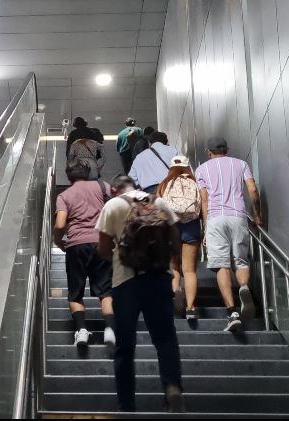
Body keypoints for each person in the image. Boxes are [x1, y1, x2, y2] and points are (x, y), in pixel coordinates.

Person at [96, 175, 184, 413]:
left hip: (126, 282)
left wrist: (116, 254)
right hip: (159, 279)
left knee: (125, 345)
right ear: (136, 186)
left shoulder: (112, 206)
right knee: (165, 339)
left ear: (115, 189)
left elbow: (103, 248)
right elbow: (176, 241)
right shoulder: (159, 202)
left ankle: (127, 405)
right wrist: (174, 272)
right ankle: (172, 387)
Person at [195, 137, 263, 333]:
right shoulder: (241, 164)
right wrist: (258, 215)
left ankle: (232, 312)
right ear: (227, 149)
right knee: (241, 260)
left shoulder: (202, 169)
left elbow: (205, 201)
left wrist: (206, 228)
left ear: (209, 152)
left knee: (221, 265)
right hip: (238, 216)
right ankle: (243, 286)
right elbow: (252, 190)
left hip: (216, 218)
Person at [54, 161, 116, 349]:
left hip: (76, 245)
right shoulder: (102, 187)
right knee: (106, 291)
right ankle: (110, 330)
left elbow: (59, 224)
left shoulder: (64, 195)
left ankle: (81, 331)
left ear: (68, 177)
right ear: (88, 172)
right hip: (101, 242)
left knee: (75, 294)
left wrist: (58, 241)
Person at [157, 156, 202, 320]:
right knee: (189, 270)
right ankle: (191, 308)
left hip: (171, 228)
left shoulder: (164, 184)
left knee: (174, 267)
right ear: (187, 166)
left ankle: (176, 294)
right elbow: (202, 205)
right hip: (191, 226)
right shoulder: (195, 182)